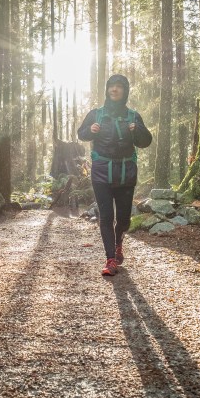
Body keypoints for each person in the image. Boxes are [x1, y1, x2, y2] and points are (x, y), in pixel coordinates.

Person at [77, 74, 152, 276]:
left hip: (126, 172)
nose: (114, 90)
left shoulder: (133, 116)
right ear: (107, 90)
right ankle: (110, 259)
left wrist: (137, 130)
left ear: (125, 91)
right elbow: (81, 133)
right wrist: (90, 130)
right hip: (101, 170)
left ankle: (119, 242)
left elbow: (145, 142)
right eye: (111, 86)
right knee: (106, 215)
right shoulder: (96, 114)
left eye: (119, 87)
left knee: (124, 218)